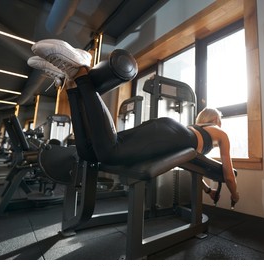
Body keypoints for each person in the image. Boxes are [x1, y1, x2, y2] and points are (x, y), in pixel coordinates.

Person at [27, 39, 240, 206]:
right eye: (219, 120)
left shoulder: (197, 134)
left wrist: (208, 190)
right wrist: (234, 192)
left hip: (169, 130)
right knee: (111, 151)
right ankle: (82, 70)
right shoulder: (220, 133)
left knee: (88, 153)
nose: (220, 124)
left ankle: (71, 83)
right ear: (215, 119)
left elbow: (188, 164)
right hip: (172, 135)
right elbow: (229, 173)